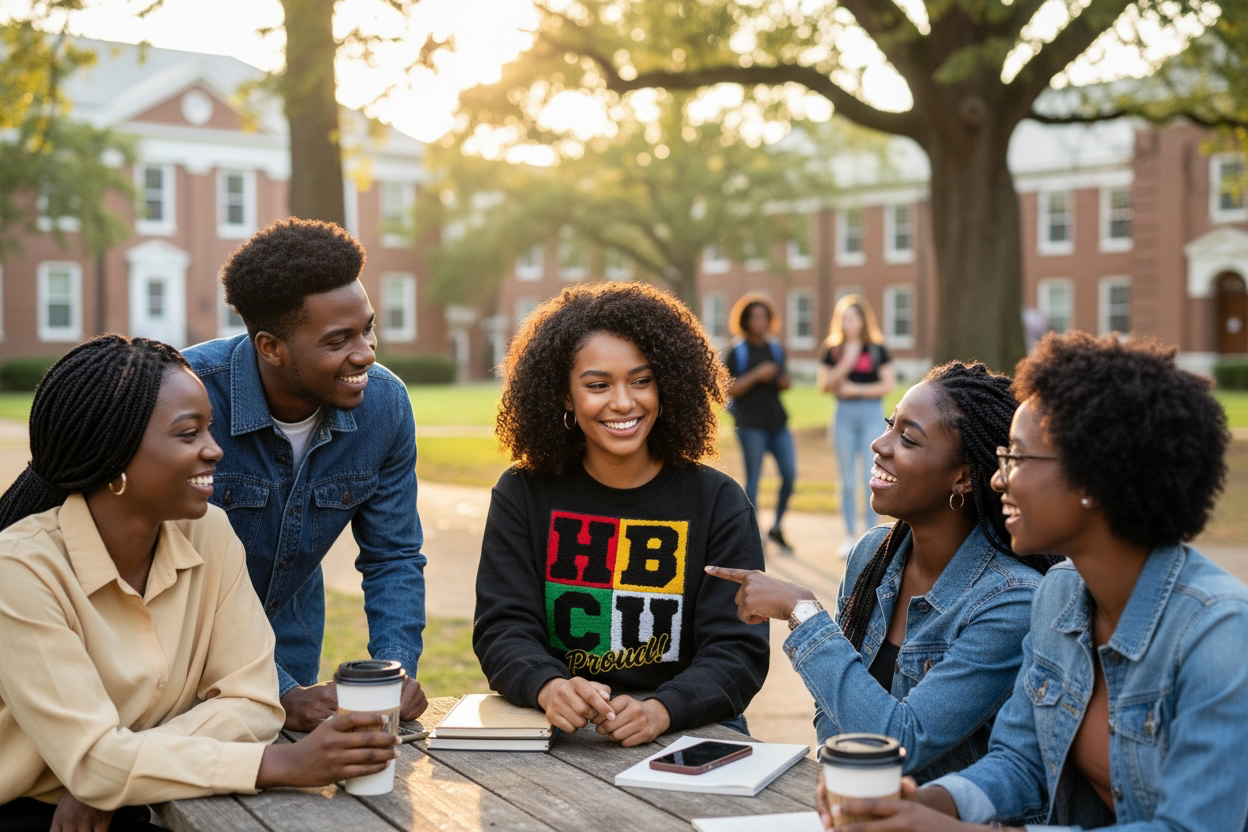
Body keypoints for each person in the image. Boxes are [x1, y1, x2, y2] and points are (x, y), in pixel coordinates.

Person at [827, 332, 1248, 830]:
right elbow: (1019, 763)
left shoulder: (1219, 633)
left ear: (1092, 480)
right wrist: (924, 803)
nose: (998, 478)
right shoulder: (1060, 595)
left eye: (1018, 458)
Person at [0, 336, 401, 831]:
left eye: (209, 429)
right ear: (115, 455)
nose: (214, 450)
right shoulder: (20, 569)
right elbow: (91, 762)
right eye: (189, 434)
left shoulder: (209, 532)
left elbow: (254, 702)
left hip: (143, 804)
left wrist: (125, 770)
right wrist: (280, 764)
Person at [709, 361, 1059, 783]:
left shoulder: (1010, 601)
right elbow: (832, 708)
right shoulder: (872, 555)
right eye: (890, 425)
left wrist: (801, 612)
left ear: (963, 478)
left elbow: (900, 741)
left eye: (908, 438)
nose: (879, 444)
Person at [474, 282, 769, 747]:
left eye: (641, 380)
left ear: (666, 384)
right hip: (561, 725)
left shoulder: (718, 502)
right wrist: (548, 685)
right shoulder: (523, 493)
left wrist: (661, 710)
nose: (624, 402)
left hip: (687, 724)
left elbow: (738, 650)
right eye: (597, 385)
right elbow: (502, 626)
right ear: (566, 396)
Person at [183, 218, 427, 732]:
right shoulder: (189, 400)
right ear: (271, 347)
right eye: (338, 340)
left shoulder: (385, 406)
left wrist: (395, 668)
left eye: (368, 328)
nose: (366, 353)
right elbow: (169, 577)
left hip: (289, 643)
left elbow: (393, 554)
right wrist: (278, 692)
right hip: (182, 654)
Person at [819, 294, 895, 558]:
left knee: (869, 476)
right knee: (847, 480)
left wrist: (856, 389)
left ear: (863, 320)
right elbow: (825, 385)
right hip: (843, 416)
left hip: (871, 414)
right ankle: (850, 536)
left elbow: (888, 384)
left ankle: (871, 535)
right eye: (844, 318)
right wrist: (847, 361)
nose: (848, 323)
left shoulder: (877, 349)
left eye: (853, 318)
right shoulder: (832, 350)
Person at [724, 293, 797, 553]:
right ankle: (754, 534)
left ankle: (776, 527)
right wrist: (757, 375)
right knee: (754, 480)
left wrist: (780, 379)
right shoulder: (738, 350)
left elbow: (786, 382)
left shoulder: (775, 348)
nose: (760, 322)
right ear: (745, 321)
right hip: (749, 424)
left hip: (777, 422)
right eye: (755, 317)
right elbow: (729, 389)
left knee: (789, 474)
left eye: (764, 317)